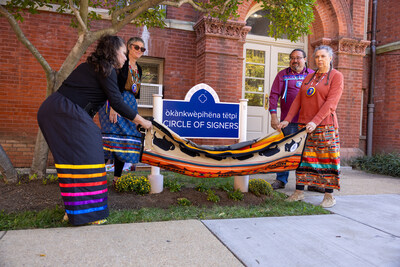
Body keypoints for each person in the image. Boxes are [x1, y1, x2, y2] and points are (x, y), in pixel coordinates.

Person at [37, 35, 152, 225]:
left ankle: (75, 211)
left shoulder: (96, 67)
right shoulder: (106, 69)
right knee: (89, 157)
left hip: (58, 111)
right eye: (123, 53)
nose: (125, 58)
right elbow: (116, 101)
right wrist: (142, 121)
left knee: (75, 162)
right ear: (113, 51)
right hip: (64, 112)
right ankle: (88, 214)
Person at [278, 45, 343, 208]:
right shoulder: (309, 77)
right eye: (317, 56)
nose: (319, 59)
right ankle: (299, 192)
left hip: (325, 126)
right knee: (303, 160)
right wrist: (287, 119)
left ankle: (329, 196)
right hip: (304, 126)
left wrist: (315, 121)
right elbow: (298, 100)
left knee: (327, 161)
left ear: (330, 58)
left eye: (323, 56)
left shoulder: (336, 76)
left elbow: (331, 103)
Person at [99, 37, 146, 185]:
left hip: (130, 104)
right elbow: (113, 87)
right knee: (110, 140)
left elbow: (135, 91)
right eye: (136, 47)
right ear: (129, 47)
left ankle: (117, 178)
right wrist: (113, 107)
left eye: (142, 49)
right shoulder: (120, 64)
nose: (139, 50)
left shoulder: (139, 68)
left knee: (124, 139)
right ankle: (95, 176)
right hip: (115, 102)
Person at [268, 49, 314, 190]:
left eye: (298, 58)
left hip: (308, 122)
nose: (295, 60)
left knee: (308, 152)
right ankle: (281, 180)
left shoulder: (313, 75)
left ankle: (311, 182)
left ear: (305, 59)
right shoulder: (283, 75)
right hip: (288, 121)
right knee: (285, 151)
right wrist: (274, 117)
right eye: (292, 58)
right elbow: (274, 96)